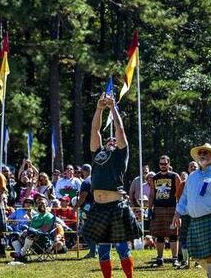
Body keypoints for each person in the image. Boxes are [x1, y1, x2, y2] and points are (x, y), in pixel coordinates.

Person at [82, 94, 140, 278]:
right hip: (99, 208)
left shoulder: (120, 156)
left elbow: (120, 130)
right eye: (110, 141)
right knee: (103, 249)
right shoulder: (98, 155)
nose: (112, 141)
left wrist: (113, 108)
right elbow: (95, 131)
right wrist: (99, 108)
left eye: (114, 141)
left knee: (122, 247)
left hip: (116, 207)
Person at [173, 143, 211, 278]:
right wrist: (177, 213)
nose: (202, 155)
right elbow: (184, 198)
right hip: (194, 220)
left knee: (210, 253)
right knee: (194, 253)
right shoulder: (192, 176)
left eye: (205, 153)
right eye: (200, 153)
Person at [150, 154, 182, 267]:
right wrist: (150, 208)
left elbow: (179, 193)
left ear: (169, 164)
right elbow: (152, 194)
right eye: (161, 164)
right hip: (158, 208)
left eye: (165, 163)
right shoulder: (155, 177)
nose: (163, 166)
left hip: (172, 208)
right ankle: (159, 259)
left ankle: (175, 259)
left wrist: (179, 209)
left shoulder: (175, 176)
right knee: (159, 235)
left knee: (173, 235)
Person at [10, 195, 57, 261]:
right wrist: (25, 232)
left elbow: (44, 230)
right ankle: (19, 254)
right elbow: (30, 227)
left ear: (46, 205)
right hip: (32, 238)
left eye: (42, 203)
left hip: (43, 239)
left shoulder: (49, 216)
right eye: (39, 203)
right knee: (14, 235)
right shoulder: (35, 216)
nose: (41, 205)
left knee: (31, 233)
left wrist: (30, 231)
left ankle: (21, 254)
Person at [75, 163, 96, 258]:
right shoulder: (96, 180)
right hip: (97, 207)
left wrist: (75, 207)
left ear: (84, 171)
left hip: (87, 209)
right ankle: (95, 251)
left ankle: (92, 252)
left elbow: (83, 197)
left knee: (85, 230)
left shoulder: (86, 182)